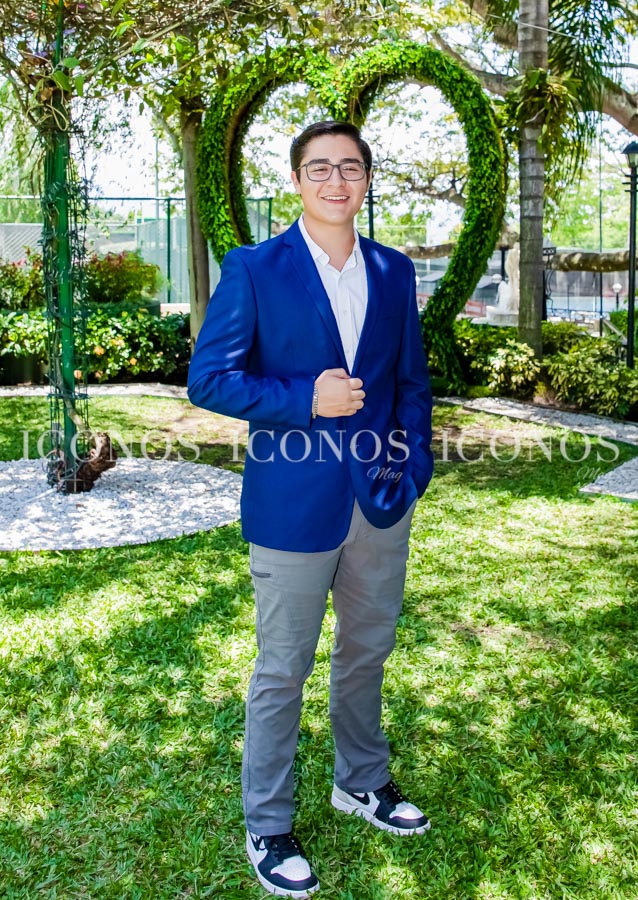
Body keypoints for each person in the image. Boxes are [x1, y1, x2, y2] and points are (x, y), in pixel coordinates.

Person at [188, 120, 434, 898]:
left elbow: (411, 383)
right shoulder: (254, 268)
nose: (336, 181)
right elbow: (209, 379)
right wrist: (305, 398)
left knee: (367, 651)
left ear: (367, 180)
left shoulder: (393, 271)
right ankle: (267, 823)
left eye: (350, 168)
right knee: (283, 667)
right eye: (319, 168)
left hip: (381, 500)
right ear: (296, 180)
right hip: (292, 502)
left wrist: (413, 468)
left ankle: (361, 781)